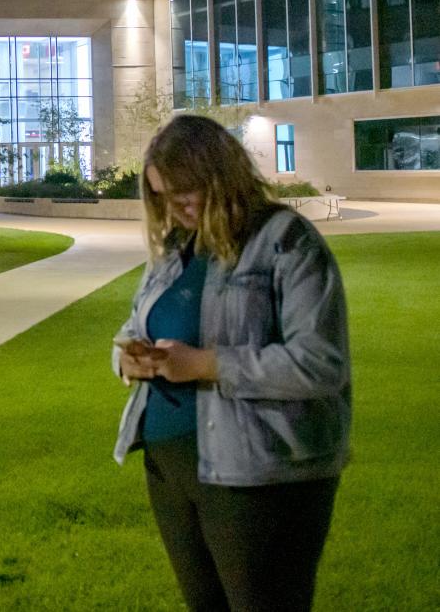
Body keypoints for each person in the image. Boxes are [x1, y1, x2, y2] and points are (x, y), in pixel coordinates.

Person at [112, 114, 351, 612]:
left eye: (183, 192)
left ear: (219, 175)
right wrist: (129, 358)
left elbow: (320, 363)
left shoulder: (286, 241)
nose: (173, 208)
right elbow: (136, 327)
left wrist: (206, 364)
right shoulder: (177, 249)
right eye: (160, 196)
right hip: (170, 469)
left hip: (258, 474)